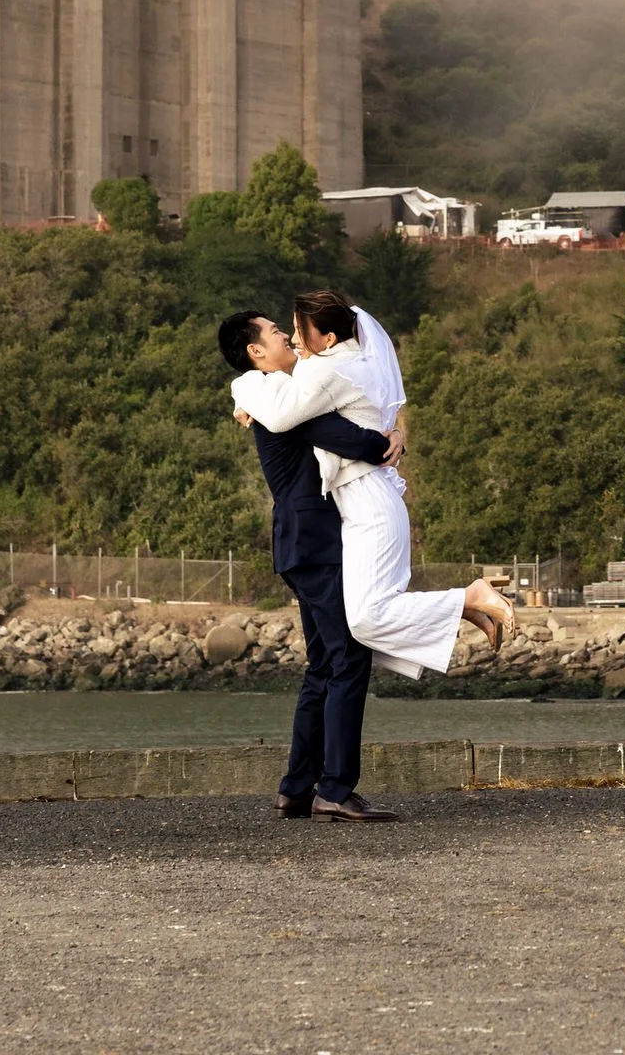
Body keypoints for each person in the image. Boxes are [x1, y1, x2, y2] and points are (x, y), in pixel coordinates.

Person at [231, 289, 515, 681]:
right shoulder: (318, 374)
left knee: (363, 621)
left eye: (295, 330)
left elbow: (296, 418)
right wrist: (249, 398)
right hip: (351, 507)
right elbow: (336, 412)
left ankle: (468, 599)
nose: (292, 339)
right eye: (283, 331)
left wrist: (246, 396)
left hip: (362, 500)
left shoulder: (322, 374)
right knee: (357, 625)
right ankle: (464, 609)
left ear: (326, 340)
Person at [218, 308, 404, 823]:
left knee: (325, 663)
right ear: (256, 351)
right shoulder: (275, 394)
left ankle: (298, 787)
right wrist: (386, 441)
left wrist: (391, 433)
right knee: (348, 658)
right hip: (315, 540)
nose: (286, 335)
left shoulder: (273, 391)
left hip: (304, 541)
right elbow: (347, 436)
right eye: (277, 333)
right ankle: (336, 788)